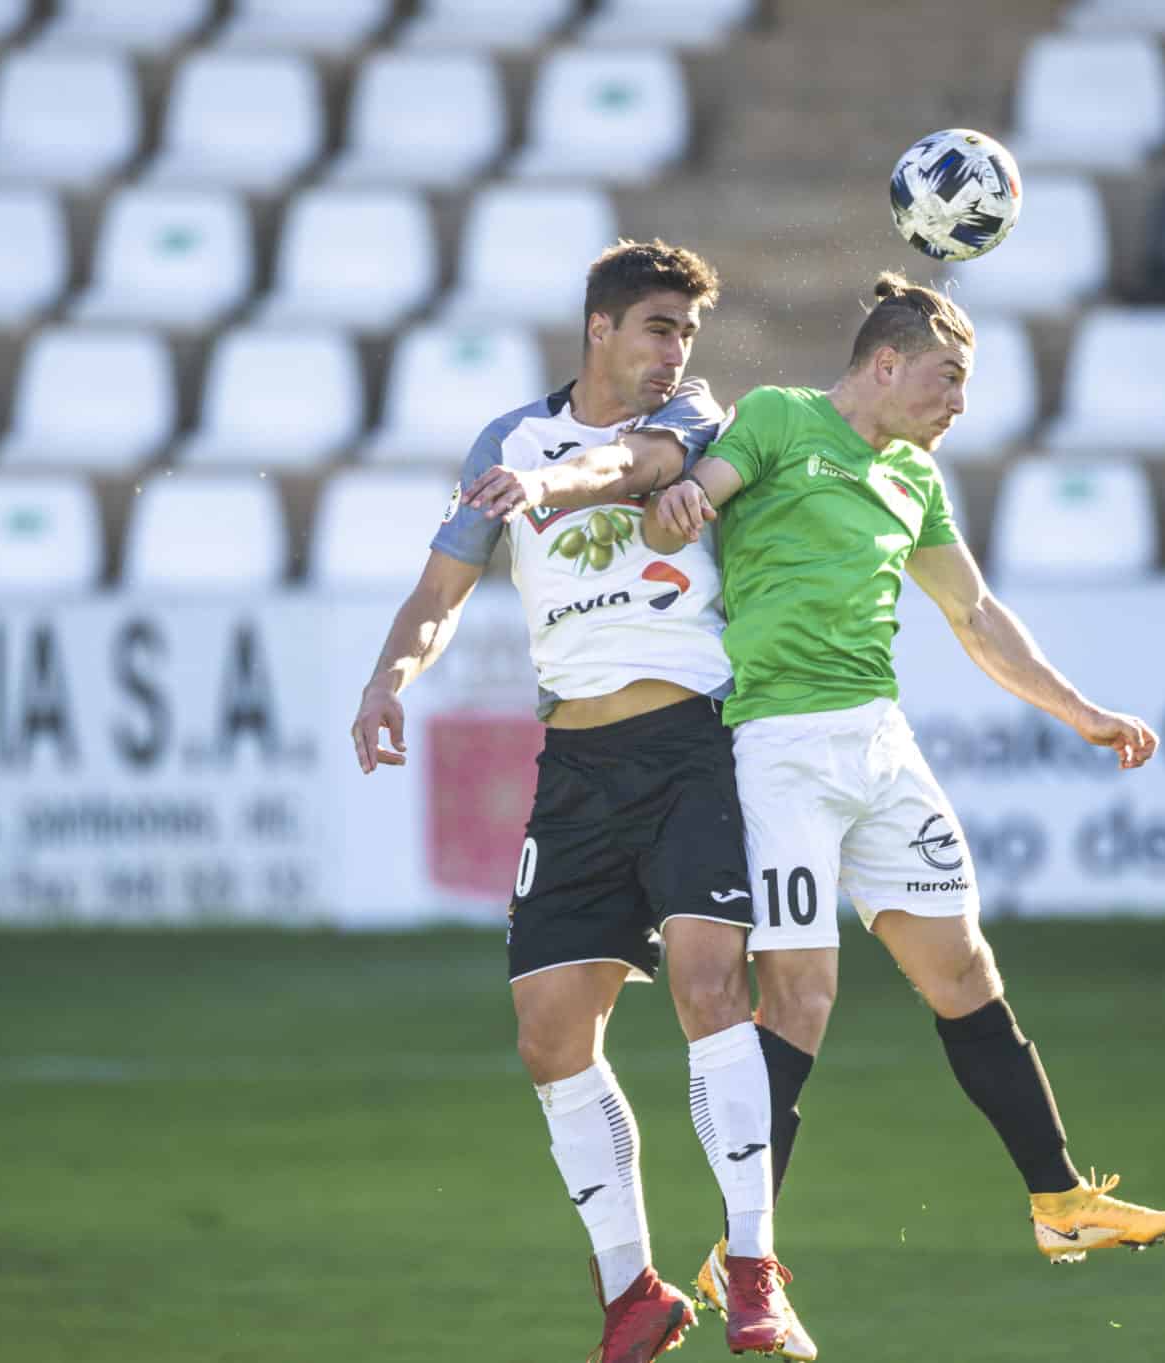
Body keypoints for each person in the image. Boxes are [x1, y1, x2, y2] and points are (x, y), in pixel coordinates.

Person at [638, 272, 1165, 1268]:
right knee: (800, 1000)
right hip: (780, 751)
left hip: (880, 747)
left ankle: (1060, 1200)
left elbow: (974, 613)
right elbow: (699, 493)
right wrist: (682, 499)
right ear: (886, 363)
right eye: (949, 376)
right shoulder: (779, 419)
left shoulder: (915, 479)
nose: (960, 402)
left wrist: (1081, 711)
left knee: (964, 970)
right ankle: (743, 1253)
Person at [349, 239, 810, 1362]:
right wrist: (388, 678)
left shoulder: (698, 421)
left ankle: (755, 1269)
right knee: (549, 1031)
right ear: (599, 327)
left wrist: (547, 486)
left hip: (693, 744)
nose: (675, 351)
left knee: (709, 986)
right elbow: (439, 589)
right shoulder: (506, 440)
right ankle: (631, 1292)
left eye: (686, 332)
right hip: (576, 767)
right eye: (658, 327)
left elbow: (632, 465)